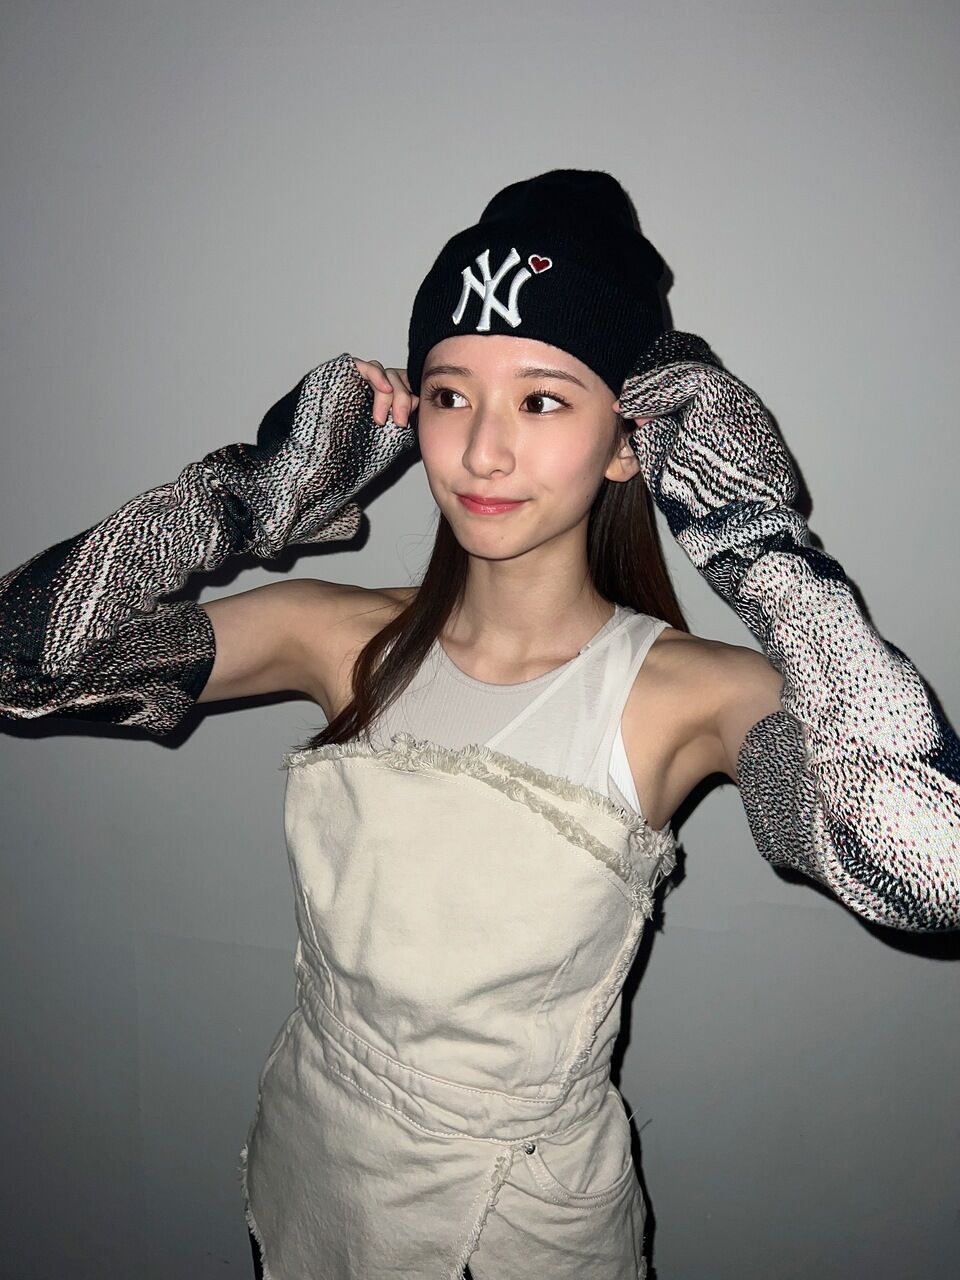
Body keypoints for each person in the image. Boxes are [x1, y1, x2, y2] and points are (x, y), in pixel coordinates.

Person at [1, 168, 957, 1280]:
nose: (482, 450)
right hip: (306, 1193)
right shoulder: (336, 636)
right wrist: (260, 490)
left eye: (543, 400)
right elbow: (26, 662)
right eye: (451, 395)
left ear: (630, 439)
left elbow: (930, 871)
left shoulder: (693, 696)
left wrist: (755, 535)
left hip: (519, 1237)